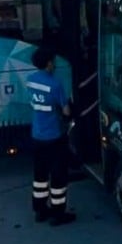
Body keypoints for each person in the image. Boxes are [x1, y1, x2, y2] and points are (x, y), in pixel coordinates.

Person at [27, 46, 76, 225]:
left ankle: (40, 210)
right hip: (54, 137)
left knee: (40, 176)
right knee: (58, 177)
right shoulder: (55, 84)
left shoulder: (30, 80)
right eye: (53, 62)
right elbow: (65, 109)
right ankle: (58, 213)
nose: (54, 65)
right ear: (48, 64)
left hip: (37, 135)